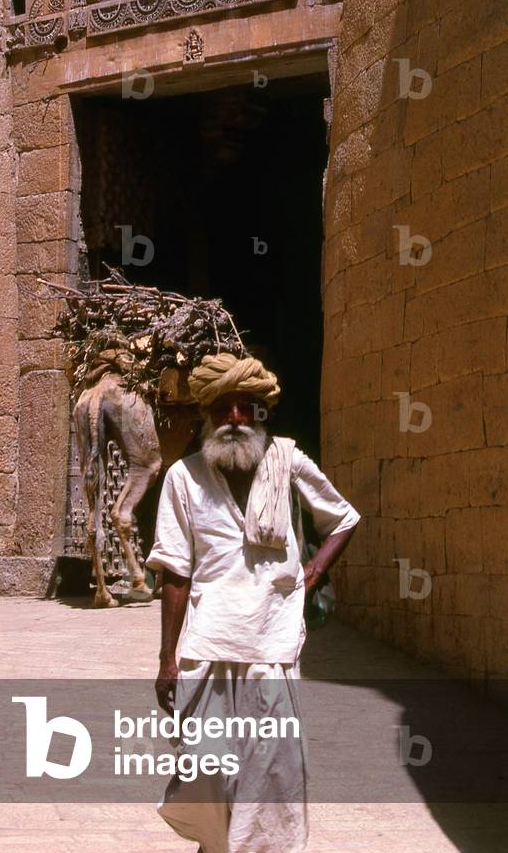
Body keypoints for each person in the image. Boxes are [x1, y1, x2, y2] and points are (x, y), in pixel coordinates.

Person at [146, 352, 361, 853]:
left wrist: (313, 572)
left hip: (272, 647)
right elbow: (176, 570)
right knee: (208, 772)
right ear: (207, 414)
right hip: (208, 647)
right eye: (224, 409)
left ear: (262, 413)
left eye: (247, 407)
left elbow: (343, 517)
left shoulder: (287, 461)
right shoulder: (184, 477)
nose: (236, 419)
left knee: (269, 775)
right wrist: (166, 656)